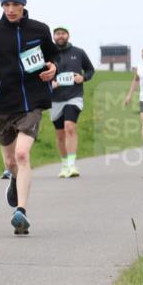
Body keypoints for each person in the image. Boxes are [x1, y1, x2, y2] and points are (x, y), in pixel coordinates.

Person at [0, 0, 58, 235]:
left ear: (23, 4)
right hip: (1, 104)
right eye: (6, 4)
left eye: (15, 3)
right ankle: (14, 180)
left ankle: (21, 211)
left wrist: (53, 68)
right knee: (10, 161)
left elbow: (53, 57)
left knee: (21, 155)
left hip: (32, 101)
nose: (10, 9)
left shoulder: (40, 30)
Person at [49, 26, 95, 177]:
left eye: (63, 33)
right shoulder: (48, 53)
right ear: (54, 36)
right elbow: (40, 74)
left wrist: (83, 78)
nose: (60, 36)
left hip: (74, 96)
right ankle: (63, 165)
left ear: (68, 35)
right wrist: (50, 84)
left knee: (69, 127)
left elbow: (90, 70)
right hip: (55, 99)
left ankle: (72, 164)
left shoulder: (78, 52)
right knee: (60, 134)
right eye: (57, 34)